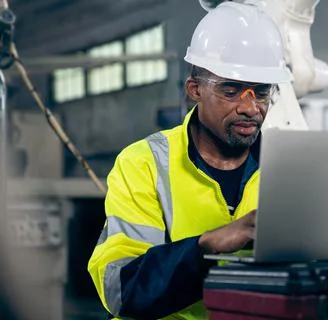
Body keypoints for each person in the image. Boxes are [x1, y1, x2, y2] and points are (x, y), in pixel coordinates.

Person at [87, 2, 292, 319]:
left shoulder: (288, 167)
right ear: (195, 89)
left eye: (261, 92)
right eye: (232, 90)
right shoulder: (144, 164)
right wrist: (206, 245)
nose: (251, 108)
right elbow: (121, 290)